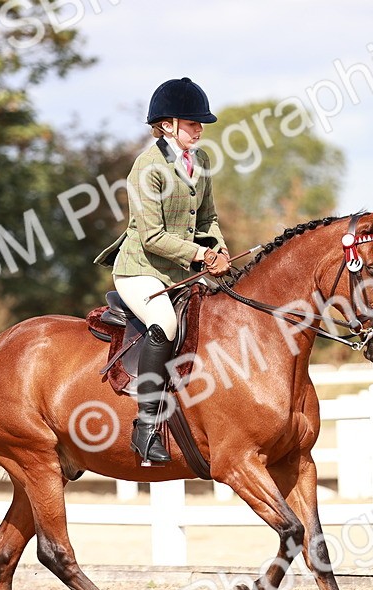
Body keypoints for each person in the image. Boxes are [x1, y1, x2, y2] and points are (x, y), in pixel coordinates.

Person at [94, 77, 231, 464]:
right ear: (167, 125)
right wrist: (201, 255)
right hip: (141, 270)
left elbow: (208, 217)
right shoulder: (147, 168)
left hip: (179, 272)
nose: (199, 130)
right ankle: (146, 426)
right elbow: (152, 237)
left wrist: (218, 248)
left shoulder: (200, 162)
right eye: (192, 123)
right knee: (165, 324)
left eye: (200, 124)